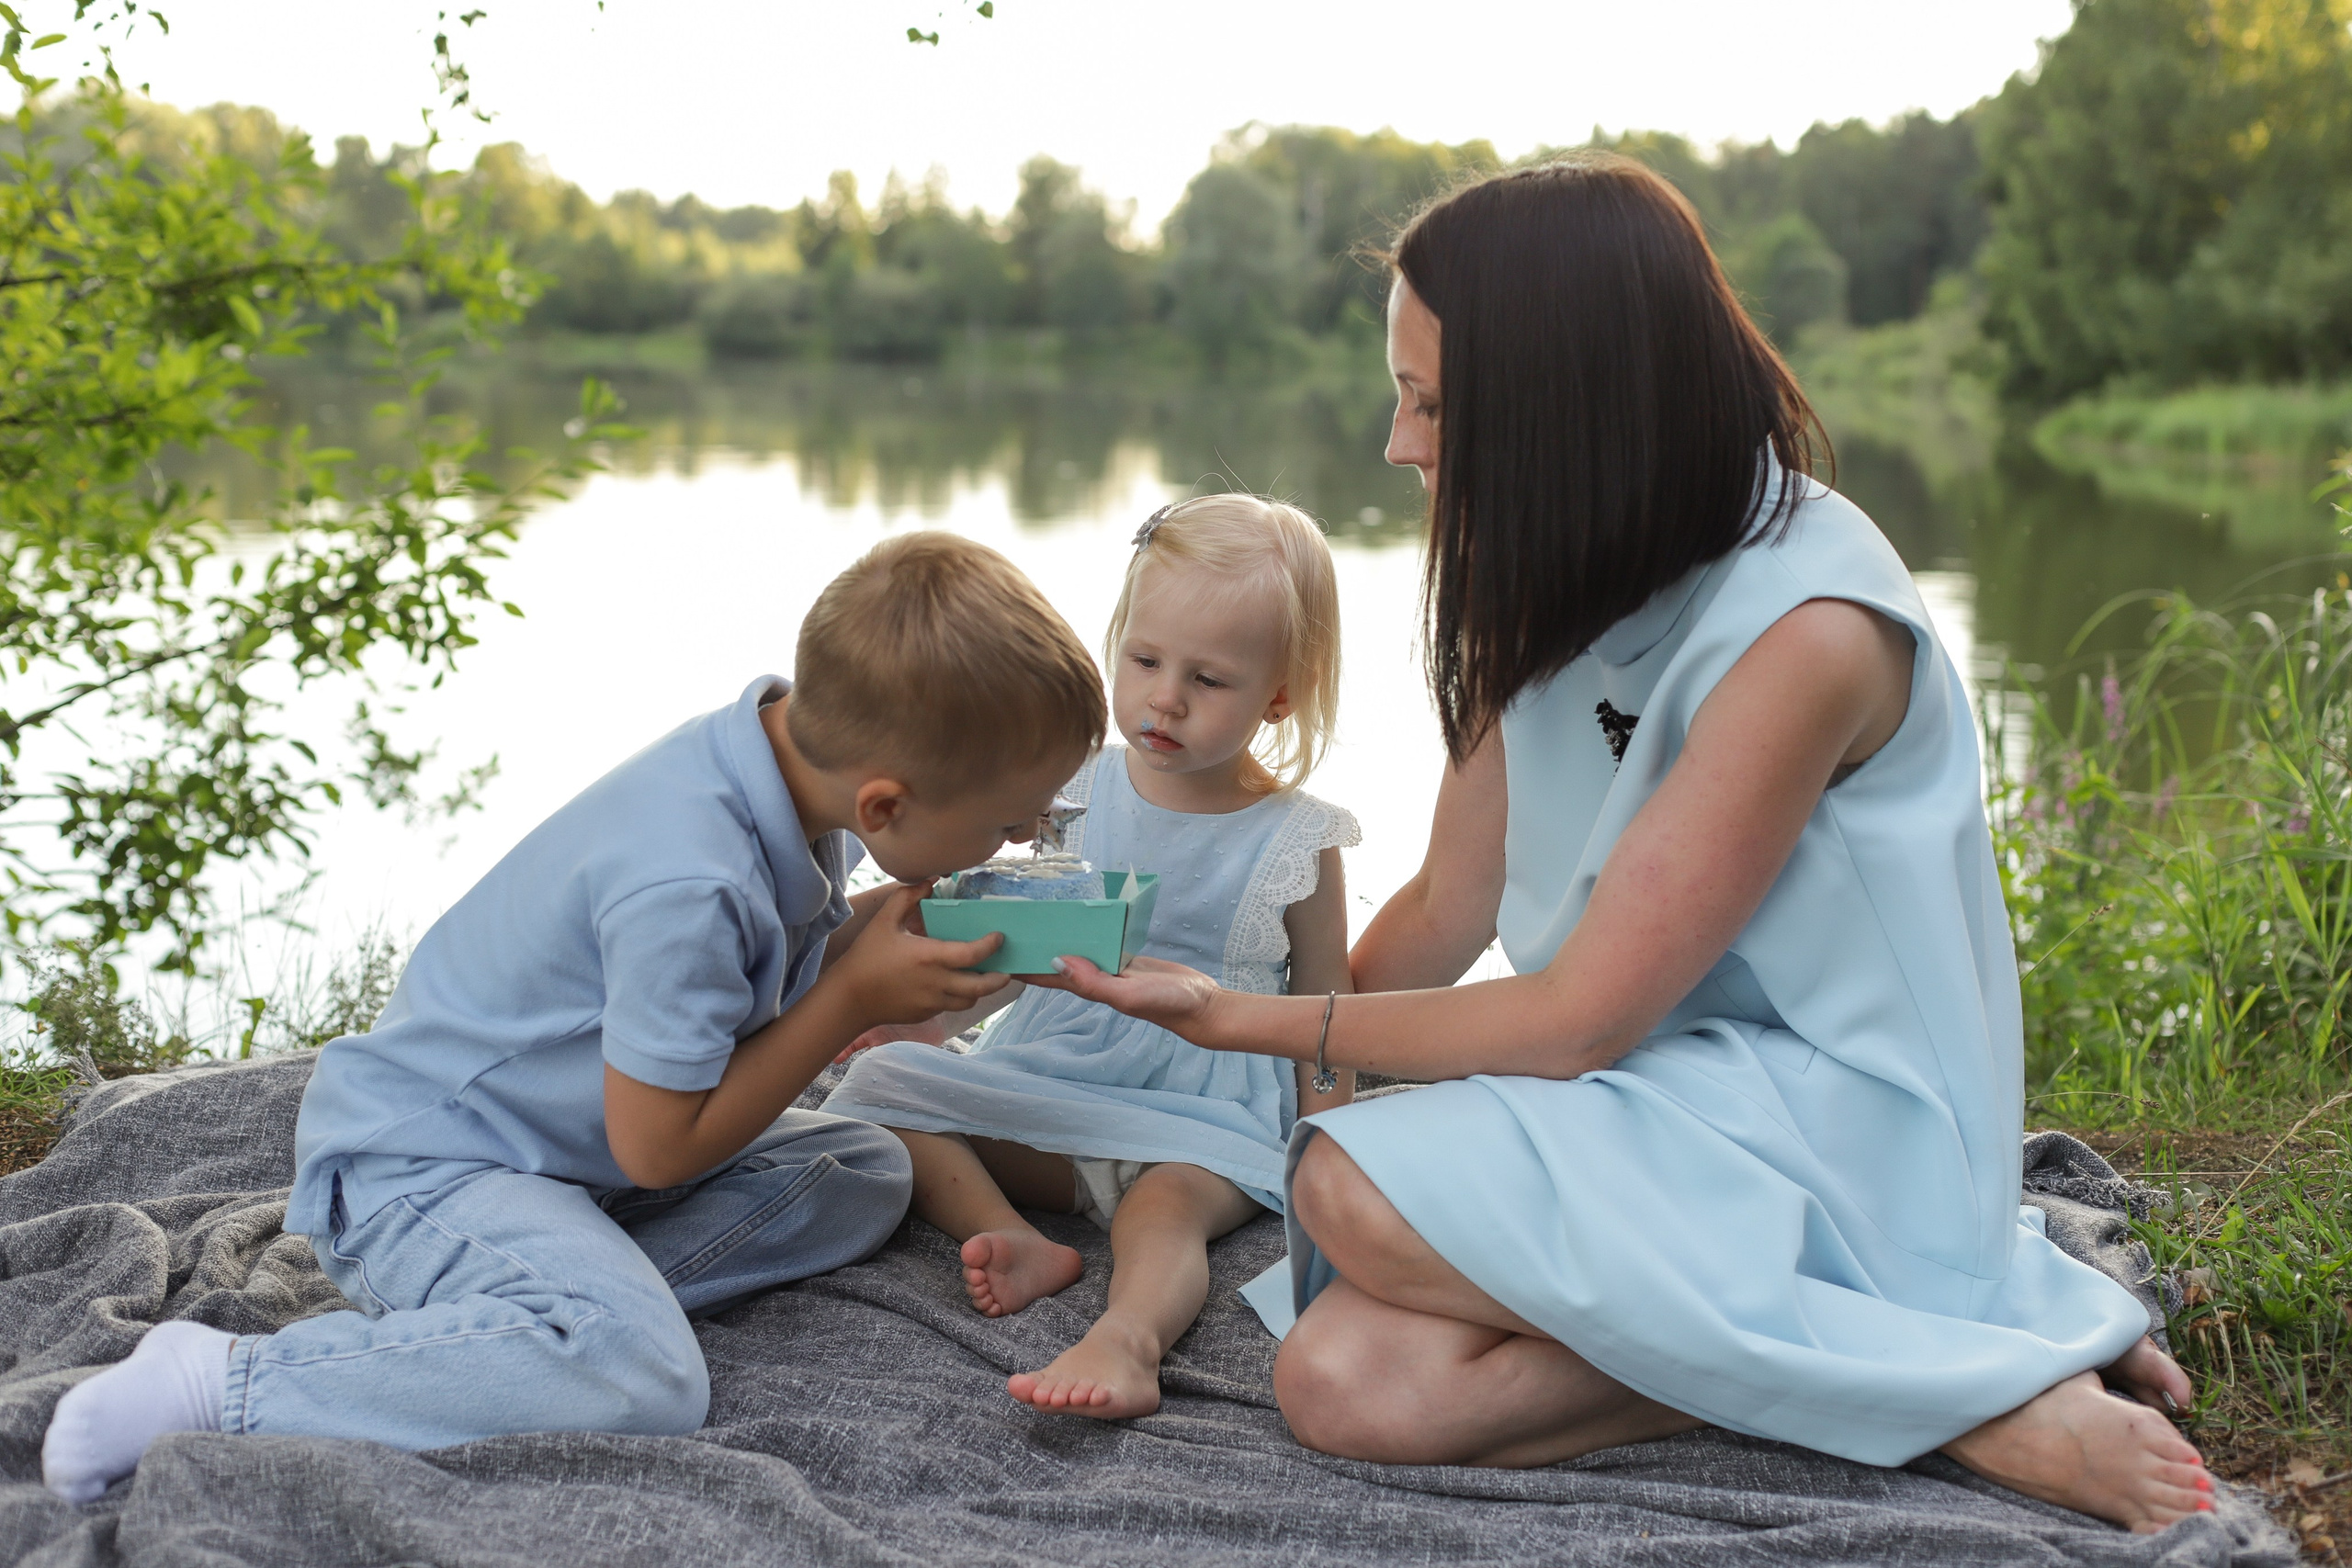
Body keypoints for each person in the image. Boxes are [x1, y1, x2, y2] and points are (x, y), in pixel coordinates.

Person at [1036, 158, 2217, 1535]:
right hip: (1658, 1100)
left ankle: (1967, 1385)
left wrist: (1239, 1020)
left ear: (1562, 403)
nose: (1398, 442)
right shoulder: (1544, 566)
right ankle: (1879, 1369)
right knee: (1345, 1381)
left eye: (1430, 401)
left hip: (1839, 1119)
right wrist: (1207, 1061)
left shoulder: (1809, 630)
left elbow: (1577, 1018)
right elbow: (1449, 903)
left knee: (1349, 1187)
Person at [41, 531, 1106, 1503]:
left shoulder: (782, 766)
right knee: (644, 1378)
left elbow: (757, 980)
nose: (1021, 840)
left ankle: (523, 1323)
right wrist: (850, 1003)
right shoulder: (686, 876)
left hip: (566, 1156)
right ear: (886, 805)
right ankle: (225, 1380)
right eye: (1007, 823)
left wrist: (889, 937)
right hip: (426, 1171)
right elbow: (660, 1149)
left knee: (862, 1169)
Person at [825, 494, 1360, 1421]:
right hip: (1058, 1071)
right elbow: (1017, 939)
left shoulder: (1296, 838)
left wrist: (1329, 1150)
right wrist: (931, 1018)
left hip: (1203, 1106)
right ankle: (1011, 1234)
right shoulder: (1071, 785)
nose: (1166, 697)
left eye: (1209, 679)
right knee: (881, 1089)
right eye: (1145, 661)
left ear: (1278, 695)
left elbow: (1325, 1004)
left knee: (1165, 1211)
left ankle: (1128, 1340)